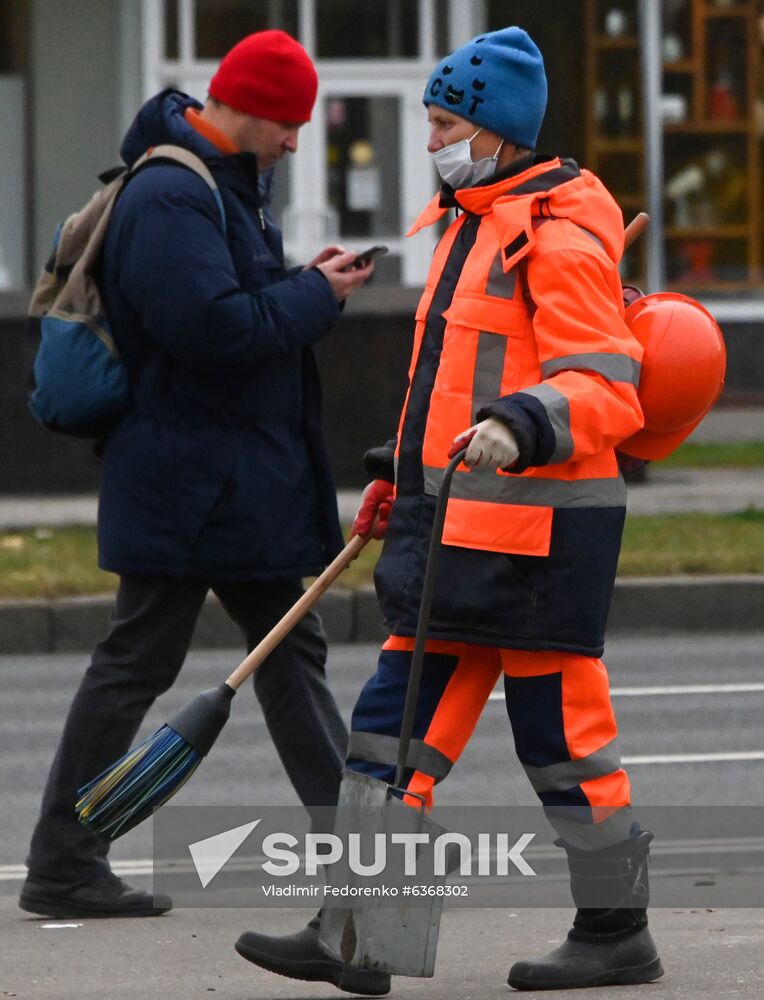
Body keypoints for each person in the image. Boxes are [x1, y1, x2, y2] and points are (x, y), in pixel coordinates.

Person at [234, 26, 663, 994]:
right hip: (455, 525)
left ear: (495, 131)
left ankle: (615, 928)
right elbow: (452, 380)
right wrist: (401, 471)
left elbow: (604, 385)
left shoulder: (553, 232)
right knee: (386, 737)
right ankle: (360, 936)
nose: (431, 139)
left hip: (539, 537)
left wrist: (521, 422)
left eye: (441, 122)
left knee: (562, 746)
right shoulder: (475, 218)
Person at [19, 28, 377, 937]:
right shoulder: (175, 193)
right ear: (247, 107)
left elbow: (226, 304)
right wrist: (315, 300)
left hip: (216, 475)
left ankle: (67, 860)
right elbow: (210, 331)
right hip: (200, 477)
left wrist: (302, 282)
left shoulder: (215, 187)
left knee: (267, 656)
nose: (297, 141)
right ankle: (65, 861)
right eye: (289, 123)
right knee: (164, 657)